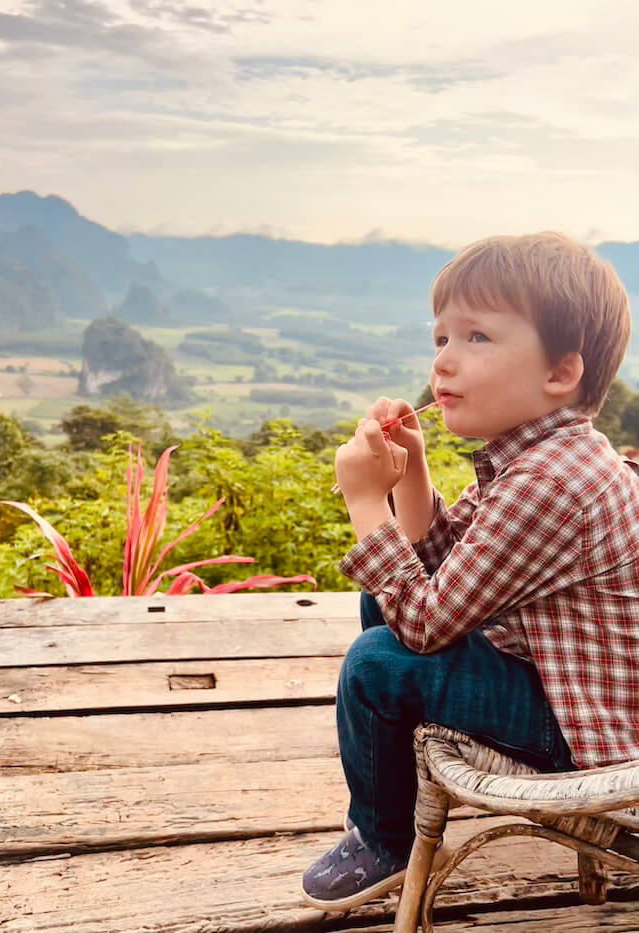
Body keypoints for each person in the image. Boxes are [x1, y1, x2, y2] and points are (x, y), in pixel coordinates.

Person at [301, 232, 639, 911]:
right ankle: (388, 808)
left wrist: (366, 499)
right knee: (380, 609)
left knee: (378, 659)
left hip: (581, 729)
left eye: (477, 337)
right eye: (440, 339)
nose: (444, 363)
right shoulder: (541, 454)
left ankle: (383, 838)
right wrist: (413, 470)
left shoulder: (550, 483)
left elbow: (425, 625)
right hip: (545, 672)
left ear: (559, 373)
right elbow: (447, 571)